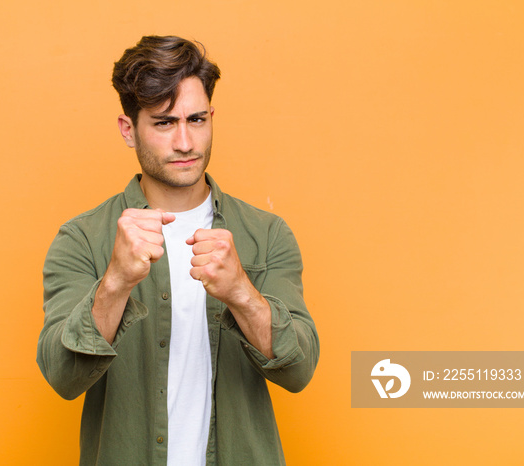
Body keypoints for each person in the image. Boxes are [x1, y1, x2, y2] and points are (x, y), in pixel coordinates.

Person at [37, 35, 319, 466]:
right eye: (165, 123)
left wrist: (241, 290)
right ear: (129, 130)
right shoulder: (81, 238)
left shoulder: (266, 233)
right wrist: (115, 282)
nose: (186, 142)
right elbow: (62, 376)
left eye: (197, 119)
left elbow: (299, 371)